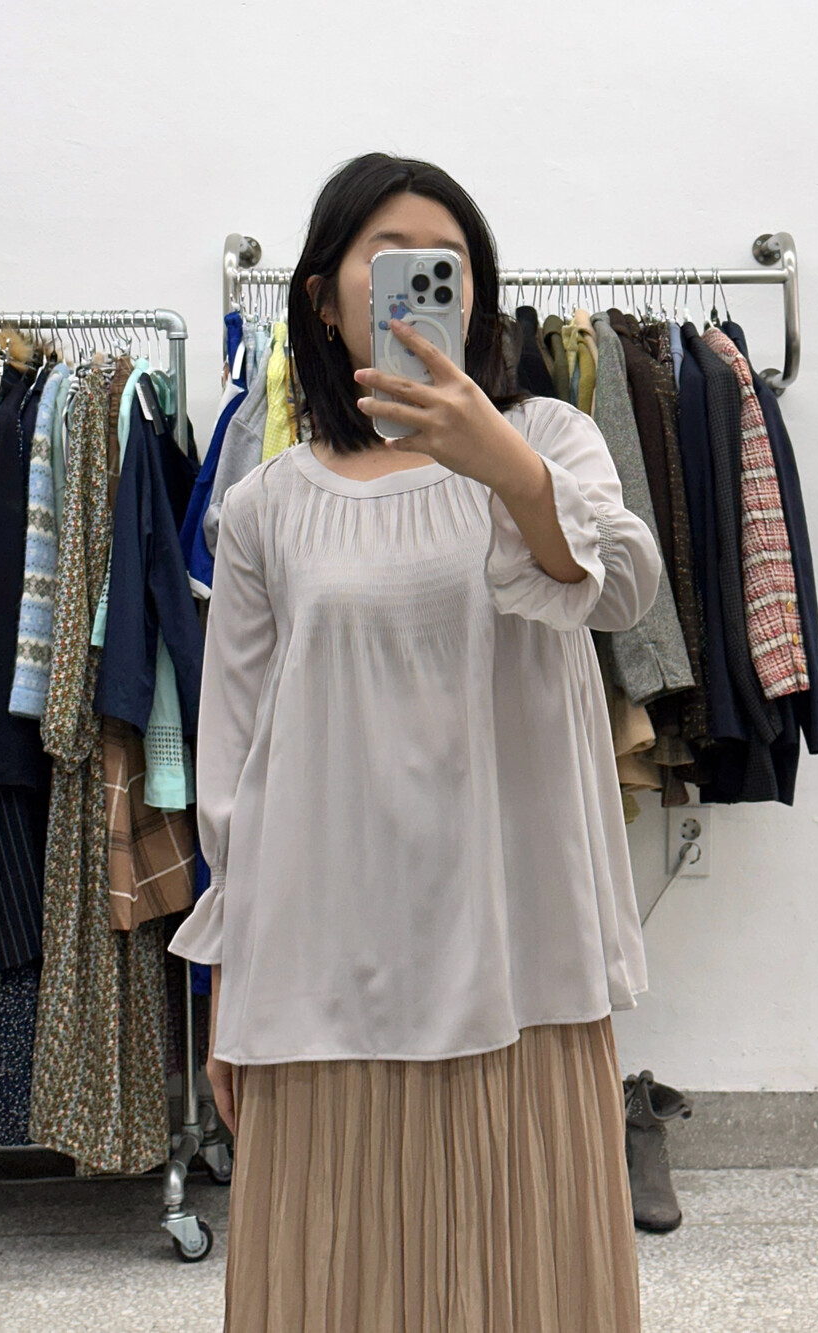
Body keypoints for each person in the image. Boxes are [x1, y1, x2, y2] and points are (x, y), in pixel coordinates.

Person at [169, 152, 662, 1333]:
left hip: (517, 945)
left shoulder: (548, 439)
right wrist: (230, 989)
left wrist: (502, 465)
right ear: (321, 298)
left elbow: (623, 586)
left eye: (449, 265)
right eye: (388, 261)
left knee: (521, 1277)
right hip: (325, 960)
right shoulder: (266, 506)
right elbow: (234, 764)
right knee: (339, 1283)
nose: (420, 284)